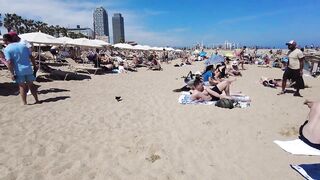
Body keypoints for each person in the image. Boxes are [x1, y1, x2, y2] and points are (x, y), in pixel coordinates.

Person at [2, 34, 39, 105]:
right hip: (28, 68)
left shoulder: (7, 49)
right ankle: (37, 100)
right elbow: (31, 57)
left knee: (22, 86)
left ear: (5, 41)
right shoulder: (23, 45)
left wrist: (11, 73)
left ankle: (24, 102)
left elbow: (9, 62)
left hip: (19, 70)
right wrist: (34, 66)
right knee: (31, 85)